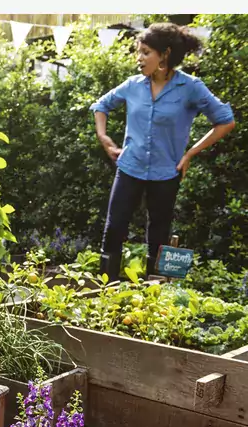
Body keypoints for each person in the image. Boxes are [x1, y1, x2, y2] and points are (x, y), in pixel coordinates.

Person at [91, 22, 235, 279]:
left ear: (164, 55)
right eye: (139, 51)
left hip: (166, 172)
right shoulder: (133, 85)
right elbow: (101, 105)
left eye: (145, 52)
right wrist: (104, 137)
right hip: (130, 166)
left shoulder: (190, 87)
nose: (139, 58)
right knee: (113, 230)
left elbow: (225, 120)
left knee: (158, 236)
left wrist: (191, 153)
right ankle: (105, 293)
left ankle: (154, 300)